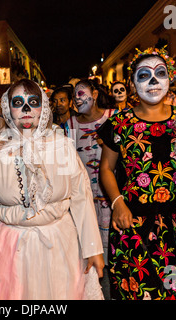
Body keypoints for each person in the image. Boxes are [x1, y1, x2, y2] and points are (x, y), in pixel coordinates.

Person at [0, 79, 105, 300]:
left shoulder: (62, 146)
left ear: (43, 108)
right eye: (18, 102)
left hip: (59, 247)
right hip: (7, 251)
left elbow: (81, 197)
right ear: (9, 109)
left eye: (33, 101)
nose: (26, 109)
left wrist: (93, 248)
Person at [98, 47, 176, 300]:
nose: (152, 81)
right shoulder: (118, 124)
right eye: (143, 75)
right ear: (132, 82)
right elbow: (105, 168)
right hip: (133, 224)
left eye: (160, 73)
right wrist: (117, 204)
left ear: (170, 79)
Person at [63, 79, 116, 299]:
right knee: (90, 251)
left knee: (113, 251)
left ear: (94, 93)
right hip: (84, 201)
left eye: (81, 93)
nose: (77, 98)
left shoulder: (113, 118)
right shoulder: (70, 125)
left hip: (111, 198)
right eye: (74, 95)